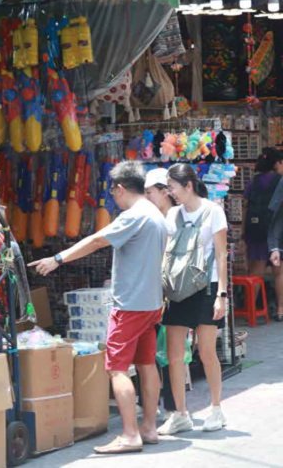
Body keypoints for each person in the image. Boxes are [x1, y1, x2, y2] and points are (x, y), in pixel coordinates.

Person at [30, 161, 167, 454]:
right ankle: (149, 427)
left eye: (113, 193)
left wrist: (58, 259)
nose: (114, 199)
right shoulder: (154, 214)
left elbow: (97, 240)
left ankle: (130, 434)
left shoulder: (134, 216)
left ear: (119, 189)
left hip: (130, 305)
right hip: (150, 302)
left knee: (117, 369)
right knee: (146, 364)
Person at [158, 163, 229, 436]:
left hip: (207, 286)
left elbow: (222, 255)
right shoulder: (172, 215)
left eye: (173, 187)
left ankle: (216, 408)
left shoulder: (213, 212)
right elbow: (165, 252)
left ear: (187, 186)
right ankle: (180, 414)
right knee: (174, 355)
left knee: (207, 351)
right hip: (178, 289)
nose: (171, 193)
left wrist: (221, 294)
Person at [143, 167, 176, 416]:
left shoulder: (175, 217)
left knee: (171, 352)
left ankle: (173, 407)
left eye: (150, 192)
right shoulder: (152, 217)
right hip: (153, 292)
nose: (147, 197)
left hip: (171, 293)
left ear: (165, 192)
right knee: (155, 351)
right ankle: (156, 406)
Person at [244, 148, 283, 321]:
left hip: (256, 230)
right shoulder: (279, 181)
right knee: (279, 272)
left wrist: (245, 232)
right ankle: (281, 309)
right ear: (277, 163)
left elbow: (246, 206)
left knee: (256, 272)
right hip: (276, 230)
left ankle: (250, 309)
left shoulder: (254, 182)